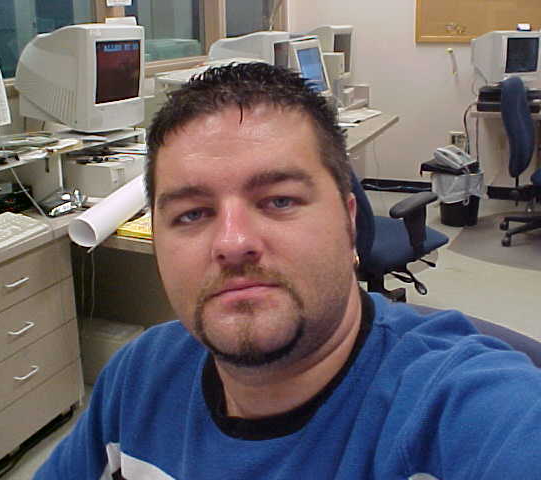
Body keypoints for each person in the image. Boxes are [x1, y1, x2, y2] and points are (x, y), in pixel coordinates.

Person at [35, 63, 541, 480]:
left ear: (349, 222)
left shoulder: (465, 410)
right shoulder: (138, 378)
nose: (233, 243)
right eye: (192, 214)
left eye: (279, 200)